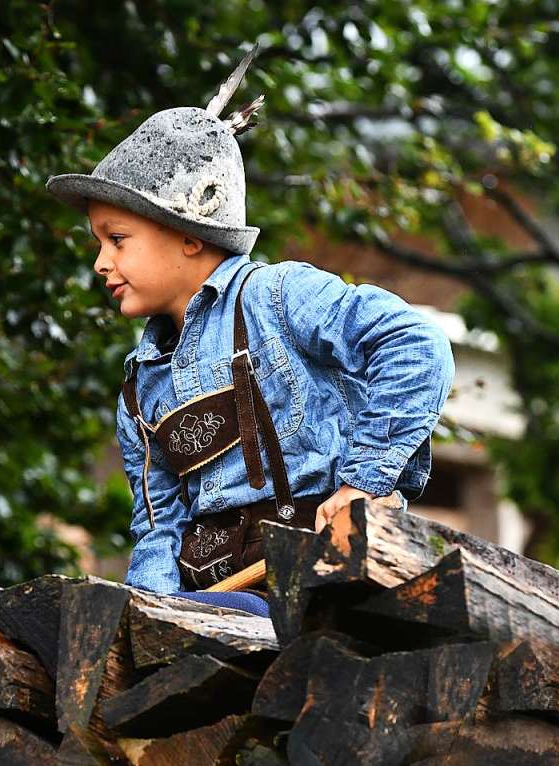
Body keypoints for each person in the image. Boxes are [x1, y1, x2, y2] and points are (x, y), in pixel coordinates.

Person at [44, 50, 455, 617]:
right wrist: (153, 618)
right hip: (214, 609)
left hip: (320, 591)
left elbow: (417, 347)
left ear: (190, 233)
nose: (100, 263)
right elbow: (160, 529)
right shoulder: (141, 392)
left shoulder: (280, 298)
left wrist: (362, 485)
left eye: (117, 239)